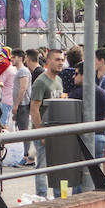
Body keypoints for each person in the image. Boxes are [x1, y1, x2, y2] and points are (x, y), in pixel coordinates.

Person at [66, 63, 105, 188]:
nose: (73, 77)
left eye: (76, 73)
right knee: (95, 174)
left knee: (79, 176)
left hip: (81, 139)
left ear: (84, 75)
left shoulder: (75, 95)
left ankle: (78, 204)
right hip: (100, 138)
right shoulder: (103, 93)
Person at [30, 48, 65, 198]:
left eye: (62, 60)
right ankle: (41, 197)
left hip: (57, 131)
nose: (61, 63)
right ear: (48, 61)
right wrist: (41, 133)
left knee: (60, 166)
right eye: (57, 59)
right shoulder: (41, 82)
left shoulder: (59, 80)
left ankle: (61, 196)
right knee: (42, 166)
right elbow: (34, 109)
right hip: (44, 130)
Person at [11, 49, 33, 164]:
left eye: (13, 57)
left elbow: (23, 88)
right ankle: (26, 155)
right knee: (22, 130)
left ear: (20, 58)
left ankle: (27, 156)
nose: (11, 60)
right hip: (21, 105)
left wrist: (16, 104)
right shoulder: (21, 71)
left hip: (23, 105)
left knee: (24, 131)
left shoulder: (23, 71)